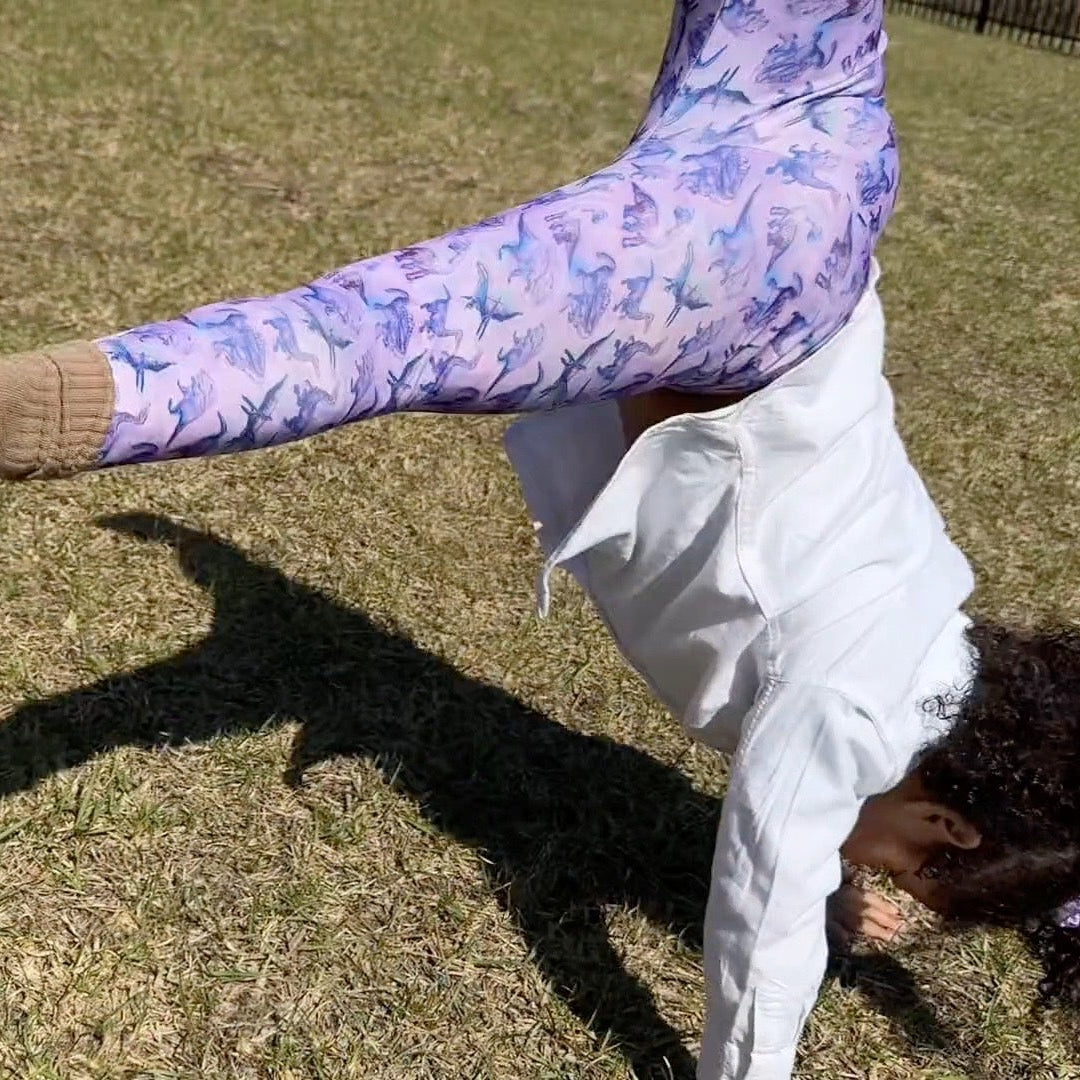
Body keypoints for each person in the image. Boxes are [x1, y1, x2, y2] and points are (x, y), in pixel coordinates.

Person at [0, 0, 1076, 1076]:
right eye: (901, 873)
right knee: (375, 338)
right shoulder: (839, 714)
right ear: (952, 828)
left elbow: (854, 799)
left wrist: (860, 869)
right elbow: (764, 922)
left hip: (826, 141)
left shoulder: (937, 618)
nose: (875, 872)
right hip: (743, 269)